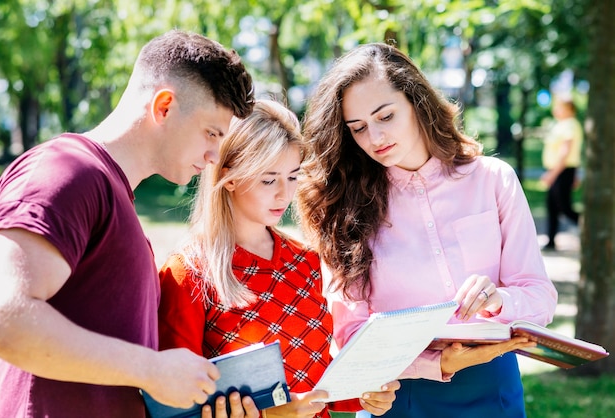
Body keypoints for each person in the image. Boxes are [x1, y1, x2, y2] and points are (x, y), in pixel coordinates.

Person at [0, 30, 256, 418]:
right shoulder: (65, 172)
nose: (215, 156)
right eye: (211, 133)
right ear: (164, 106)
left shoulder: (114, 198)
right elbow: (1, 317)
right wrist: (152, 370)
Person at [295, 43, 558, 417]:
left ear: (416, 100)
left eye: (385, 116)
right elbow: (349, 336)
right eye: (358, 128)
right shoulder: (344, 208)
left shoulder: (493, 180)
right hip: (398, 397)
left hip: (494, 389)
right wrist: (438, 365)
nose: (375, 138)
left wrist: (500, 301)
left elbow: (540, 297)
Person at [157, 99, 399, 418]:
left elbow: (314, 377)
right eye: (269, 179)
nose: (284, 194)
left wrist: (363, 394)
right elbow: (172, 407)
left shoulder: (308, 261)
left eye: (293, 176)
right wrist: (271, 415)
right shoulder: (187, 273)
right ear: (228, 176)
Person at [540, 95, 583, 251]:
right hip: (558, 170)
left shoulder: (570, 125)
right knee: (552, 206)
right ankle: (551, 240)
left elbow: (566, 152)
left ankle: (589, 227)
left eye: (559, 107)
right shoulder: (561, 124)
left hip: (562, 171)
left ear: (569, 109)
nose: (555, 110)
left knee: (565, 207)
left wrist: (552, 174)